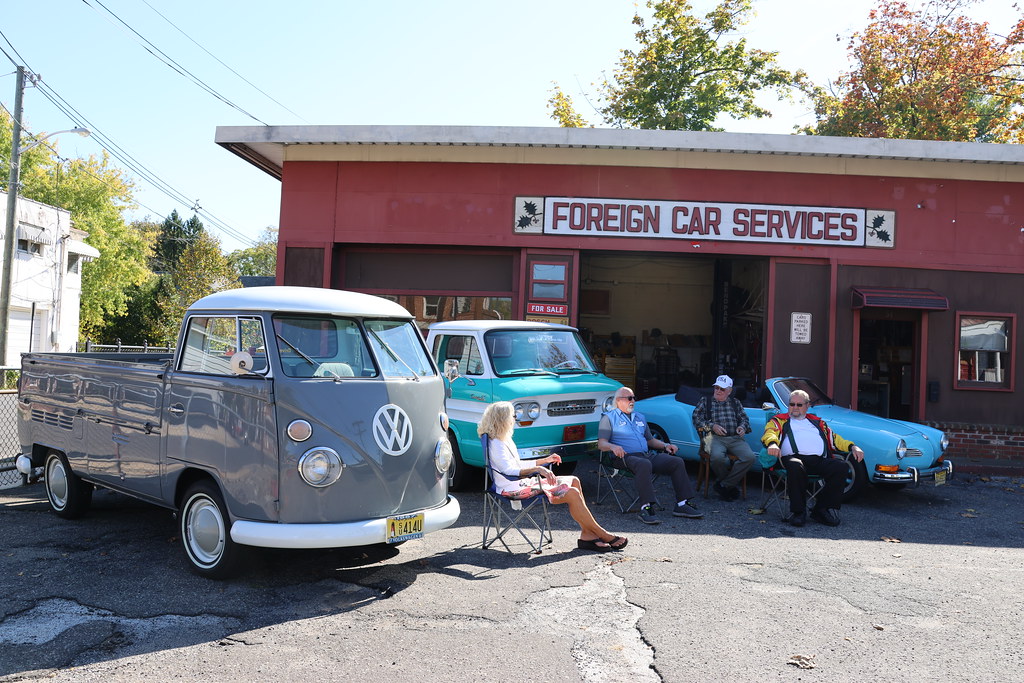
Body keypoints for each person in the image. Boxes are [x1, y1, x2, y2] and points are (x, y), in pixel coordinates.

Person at [478, 401, 628, 552]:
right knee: (572, 493)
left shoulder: (503, 439)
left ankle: (587, 535)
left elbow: (517, 464)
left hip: (519, 483)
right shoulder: (496, 443)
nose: (515, 419)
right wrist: (538, 469)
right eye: (513, 415)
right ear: (502, 419)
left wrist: (545, 460)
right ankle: (602, 534)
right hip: (511, 489)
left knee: (574, 480)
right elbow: (509, 470)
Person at [598, 387, 702, 525]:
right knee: (644, 464)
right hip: (623, 457)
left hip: (645, 455)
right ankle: (646, 507)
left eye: (634, 397)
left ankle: (682, 504)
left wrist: (665, 445)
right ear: (618, 401)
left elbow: (650, 440)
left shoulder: (640, 417)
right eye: (629, 398)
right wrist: (613, 446)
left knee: (676, 462)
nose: (633, 401)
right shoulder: (609, 418)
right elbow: (601, 443)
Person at [761, 389, 864, 527]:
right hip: (790, 459)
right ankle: (799, 512)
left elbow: (836, 440)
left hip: (817, 460)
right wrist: (772, 444)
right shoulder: (779, 420)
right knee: (796, 465)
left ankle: (821, 509)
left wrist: (853, 447)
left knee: (841, 467)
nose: (795, 407)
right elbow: (770, 433)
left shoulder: (818, 423)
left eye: (799, 405)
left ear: (807, 406)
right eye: (792, 404)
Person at [691, 374, 756, 501]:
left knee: (750, 458)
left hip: (735, 438)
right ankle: (728, 486)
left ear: (729, 391)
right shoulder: (706, 401)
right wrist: (712, 426)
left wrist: (742, 427)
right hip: (714, 438)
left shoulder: (735, 402)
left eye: (722, 389)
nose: (718, 391)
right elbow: (696, 418)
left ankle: (724, 485)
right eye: (716, 388)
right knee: (717, 458)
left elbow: (744, 419)